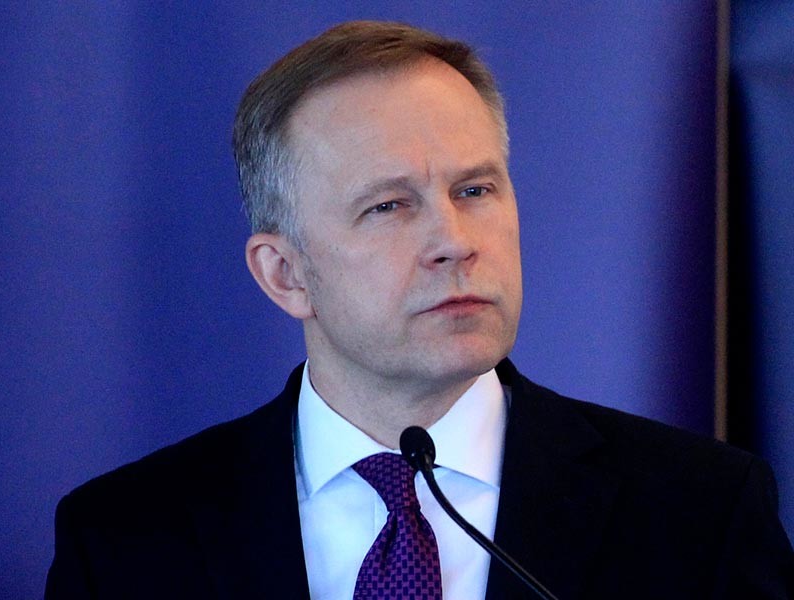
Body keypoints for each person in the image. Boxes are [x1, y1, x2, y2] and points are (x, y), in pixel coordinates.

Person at [46, 20, 793, 600]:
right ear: (285, 274)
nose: (455, 241)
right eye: (389, 205)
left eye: (475, 190)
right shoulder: (124, 538)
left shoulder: (699, 513)